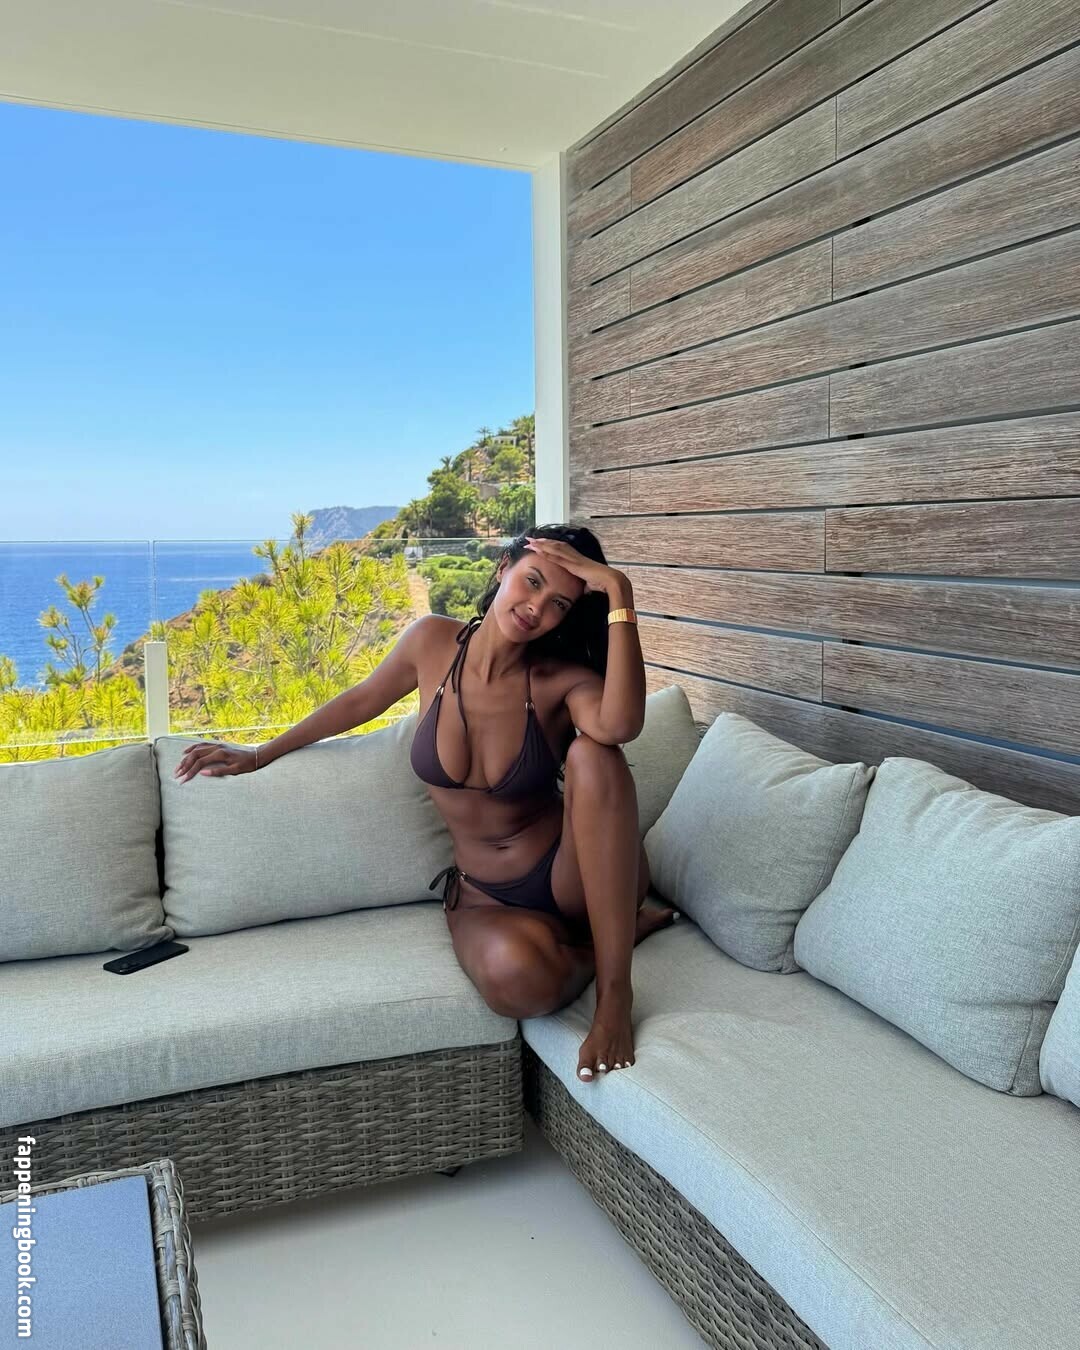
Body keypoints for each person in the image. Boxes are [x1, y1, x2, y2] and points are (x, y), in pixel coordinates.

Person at [173, 524, 679, 1084]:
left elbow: (620, 725)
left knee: (596, 754)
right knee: (517, 985)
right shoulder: (432, 642)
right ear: (503, 568)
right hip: (488, 896)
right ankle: (612, 939)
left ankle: (614, 992)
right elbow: (360, 700)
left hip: (580, 875)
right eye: (532, 582)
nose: (537, 607)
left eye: (559, 603)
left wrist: (619, 590)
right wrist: (260, 752)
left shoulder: (561, 681)